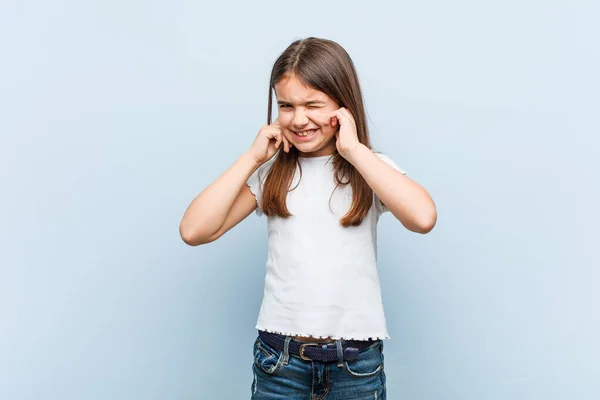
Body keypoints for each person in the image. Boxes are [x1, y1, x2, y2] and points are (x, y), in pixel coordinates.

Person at [179, 37, 437, 399]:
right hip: (280, 362)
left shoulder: (369, 168)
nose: (299, 119)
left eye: (313, 105)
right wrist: (252, 158)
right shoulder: (272, 173)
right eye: (286, 105)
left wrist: (354, 150)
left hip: (356, 365)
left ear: (343, 107)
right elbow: (194, 230)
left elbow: (423, 217)